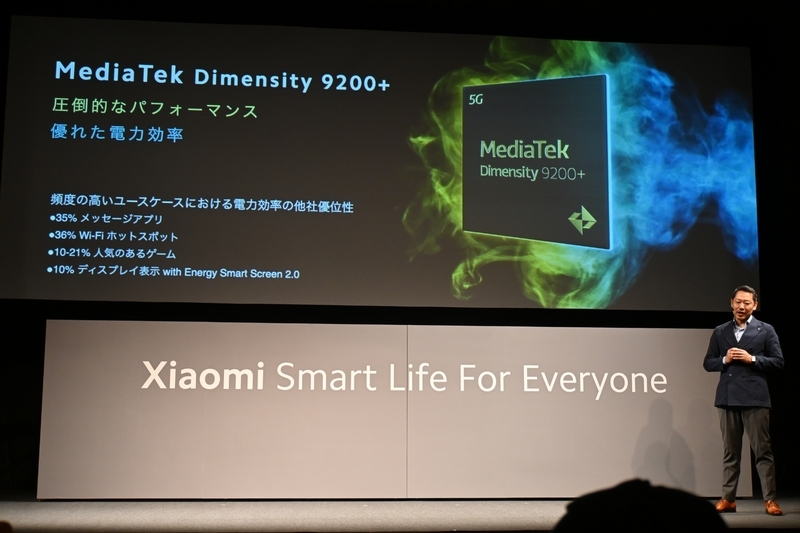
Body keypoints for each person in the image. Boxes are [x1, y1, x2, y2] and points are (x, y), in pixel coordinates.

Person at [703, 285, 784, 516]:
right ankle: (728, 499)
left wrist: (753, 359)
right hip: (728, 398)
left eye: (747, 303)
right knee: (731, 452)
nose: (741, 306)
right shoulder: (720, 331)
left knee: (762, 451)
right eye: (738, 302)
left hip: (755, 398)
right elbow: (708, 362)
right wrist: (725, 360)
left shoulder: (765, 330)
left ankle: (770, 499)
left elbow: (778, 361)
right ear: (731, 303)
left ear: (754, 305)